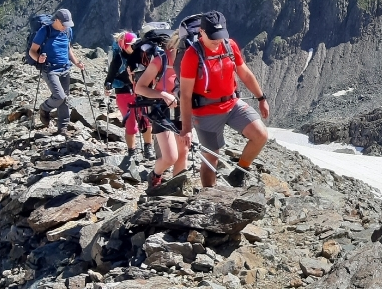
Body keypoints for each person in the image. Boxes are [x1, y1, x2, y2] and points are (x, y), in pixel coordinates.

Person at [178, 11, 269, 187]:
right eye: (213, 38)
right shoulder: (192, 55)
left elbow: (245, 73)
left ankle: (238, 173)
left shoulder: (229, 45)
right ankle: (209, 198)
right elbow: (186, 94)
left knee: (261, 135)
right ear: (202, 32)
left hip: (232, 104)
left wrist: (261, 98)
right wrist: (186, 128)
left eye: (220, 37)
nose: (217, 41)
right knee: (211, 159)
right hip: (205, 113)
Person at [134, 32, 188, 188]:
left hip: (180, 107)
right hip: (159, 109)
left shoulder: (189, 61)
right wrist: (162, 94)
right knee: (170, 157)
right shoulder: (160, 61)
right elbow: (139, 88)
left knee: (183, 152)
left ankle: (177, 188)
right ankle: (155, 176)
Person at [29, 8, 85, 135]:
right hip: (50, 69)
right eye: (64, 24)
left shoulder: (68, 31)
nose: (66, 27)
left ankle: (62, 128)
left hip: (65, 68)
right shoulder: (45, 31)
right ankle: (44, 108)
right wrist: (38, 58)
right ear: (57, 20)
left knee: (65, 99)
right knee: (60, 96)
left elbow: (68, 48)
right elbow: (32, 51)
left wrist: (76, 62)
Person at [103, 31, 154, 159]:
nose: (134, 47)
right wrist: (108, 87)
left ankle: (148, 148)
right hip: (124, 93)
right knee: (131, 124)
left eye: (134, 44)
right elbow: (109, 78)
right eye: (131, 45)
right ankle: (132, 151)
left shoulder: (141, 55)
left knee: (145, 120)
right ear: (124, 45)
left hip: (139, 91)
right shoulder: (118, 58)